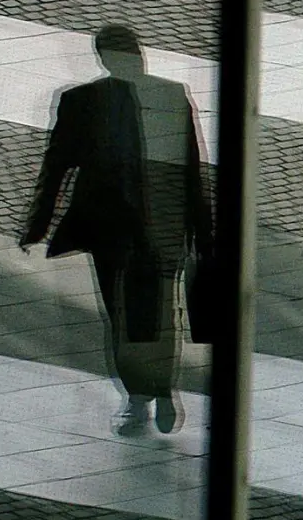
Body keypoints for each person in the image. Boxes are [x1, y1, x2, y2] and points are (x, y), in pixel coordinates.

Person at [21, 24, 212, 436]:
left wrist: (38, 223)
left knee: (132, 313)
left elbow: (56, 168)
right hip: (132, 225)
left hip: (136, 226)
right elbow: (192, 171)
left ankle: (146, 396)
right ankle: (153, 394)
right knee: (153, 312)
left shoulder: (91, 101)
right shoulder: (154, 96)